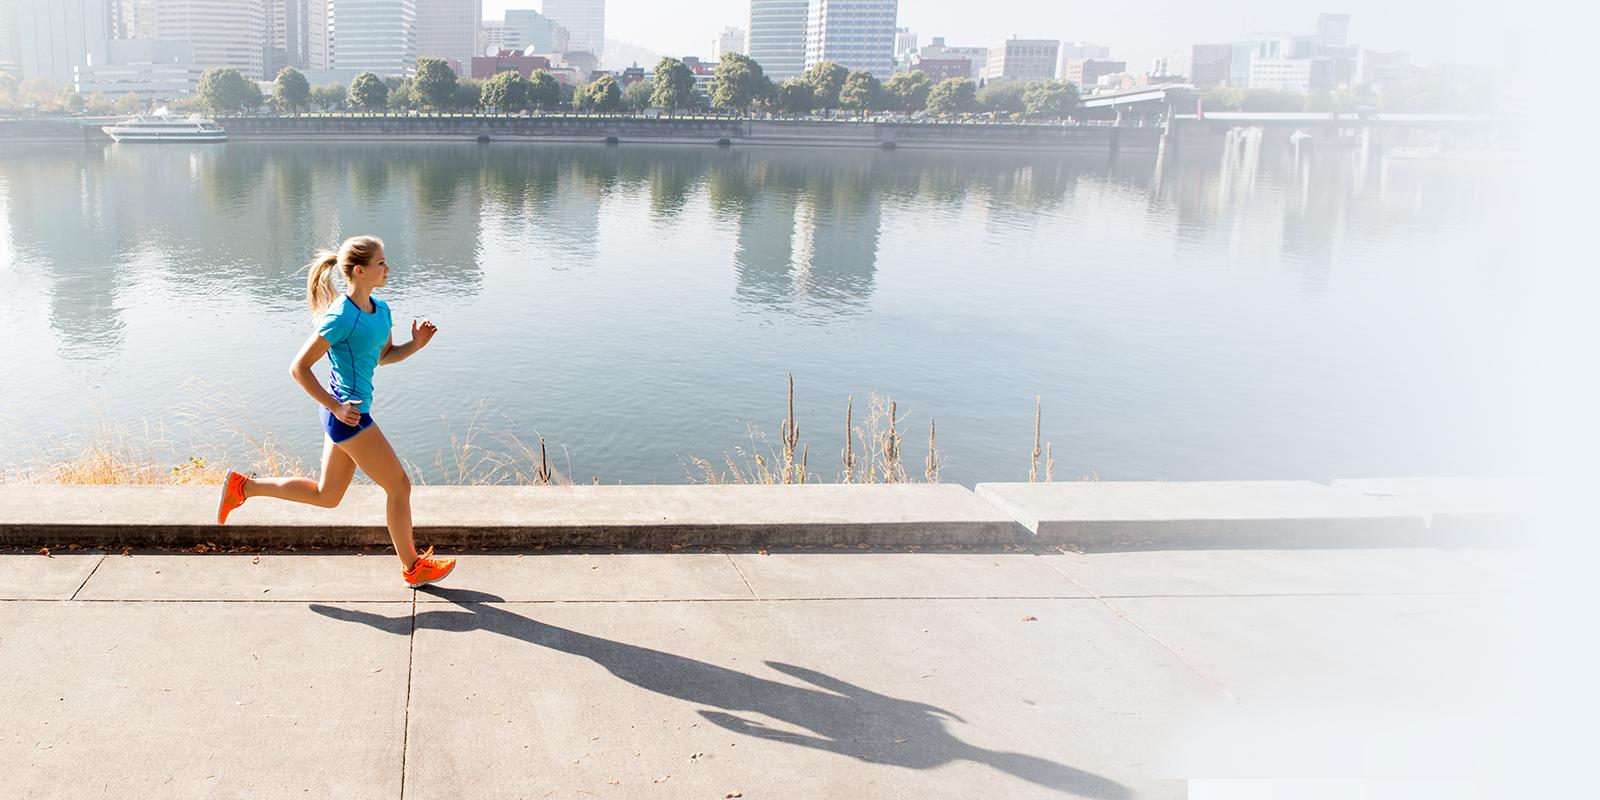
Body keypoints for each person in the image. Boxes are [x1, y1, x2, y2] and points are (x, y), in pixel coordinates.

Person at [214, 235, 455, 588]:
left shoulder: (382, 310)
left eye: (385, 261)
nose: (388, 268)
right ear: (360, 270)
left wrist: (416, 345)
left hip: (348, 414)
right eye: (381, 263)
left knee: (327, 496)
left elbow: (383, 357)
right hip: (349, 416)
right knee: (399, 486)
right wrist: (336, 406)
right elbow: (299, 368)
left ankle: (243, 487)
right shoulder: (341, 316)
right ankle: (413, 566)